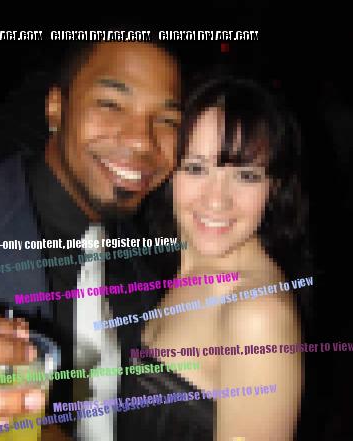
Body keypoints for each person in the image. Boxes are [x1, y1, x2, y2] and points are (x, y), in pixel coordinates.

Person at [0, 41, 181, 441]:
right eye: (111, 104)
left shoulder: (148, 269)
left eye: (167, 120)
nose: (142, 141)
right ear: (56, 108)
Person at [119, 76, 309, 440]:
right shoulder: (175, 263)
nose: (217, 200)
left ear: (273, 186)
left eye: (246, 175)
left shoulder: (257, 316)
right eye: (196, 168)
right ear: (170, 172)